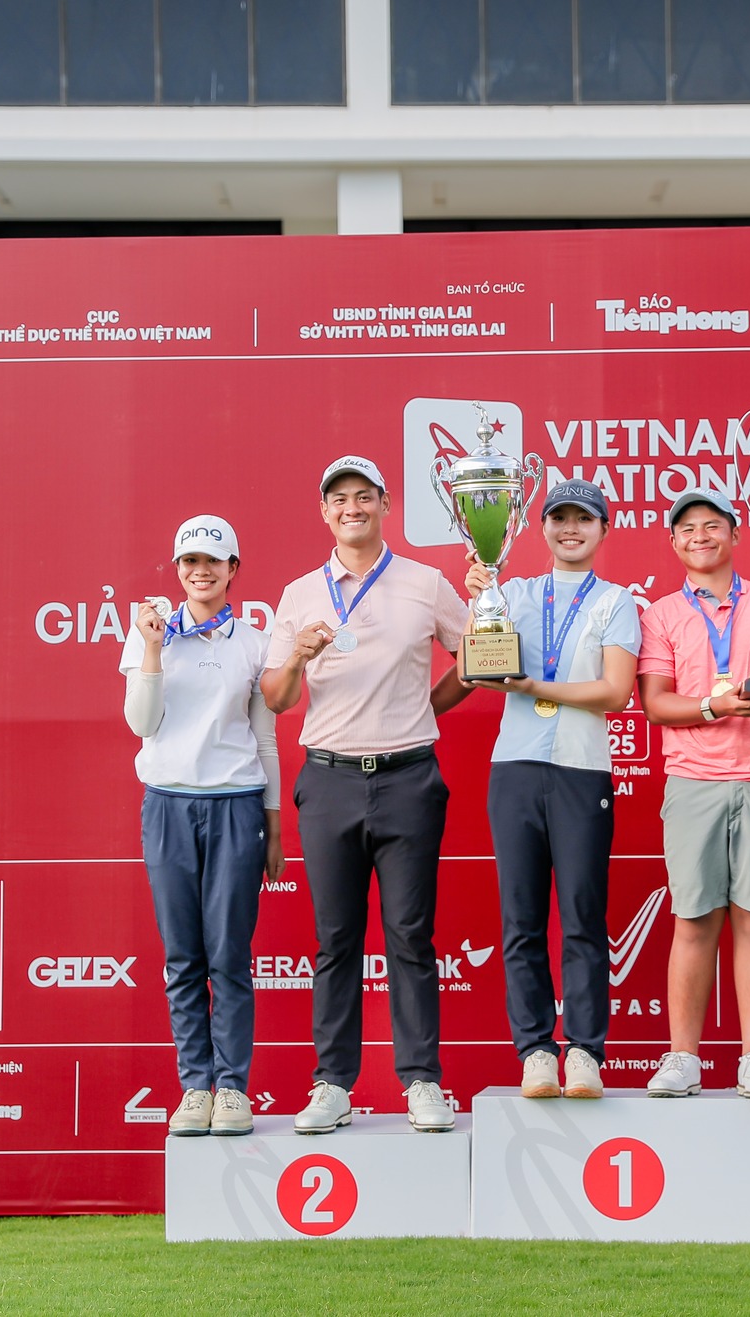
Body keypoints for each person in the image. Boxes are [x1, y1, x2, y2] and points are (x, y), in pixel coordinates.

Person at [261, 455, 474, 1134]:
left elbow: (481, 657)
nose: (351, 508)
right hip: (329, 779)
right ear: (324, 512)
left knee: (411, 934)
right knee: (336, 939)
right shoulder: (300, 593)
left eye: (363, 496)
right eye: (339, 499)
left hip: (409, 778)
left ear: (384, 503)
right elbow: (276, 697)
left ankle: (422, 1080)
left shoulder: (424, 582)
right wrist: (299, 655)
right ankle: (332, 1082)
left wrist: (425, 710)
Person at [457, 478, 640, 1100]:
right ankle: (536, 1050)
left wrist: (534, 686)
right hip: (514, 767)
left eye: (583, 519)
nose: (571, 529)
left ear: (603, 529)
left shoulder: (616, 601)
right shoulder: (510, 593)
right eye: (559, 518)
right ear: (540, 528)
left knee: (583, 917)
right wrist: (479, 601)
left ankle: (584, 1050)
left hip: (581, 770)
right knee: (521, 919)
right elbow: (476, 670)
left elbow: (615, 692)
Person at [635, 488, 750, 1100]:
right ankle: (683, 1057)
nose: (700, 536)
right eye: (687, 528)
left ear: (736, 535)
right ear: (673, 542)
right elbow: (656, 703)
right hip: (693, 781)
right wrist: (717, 705)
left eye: (712, 525)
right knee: (692, 921)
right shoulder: (661, 614)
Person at [121, 514, 285, 1137]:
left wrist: (273, 823)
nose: (201, 571)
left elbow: (265, 739)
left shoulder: (255, 643)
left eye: (213, 561)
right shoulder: (149, 634)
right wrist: (153, 649)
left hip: (237, 804)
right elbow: (142, 723)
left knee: (229, 956)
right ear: (177, 569)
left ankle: (233, 1088)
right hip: (167, 804)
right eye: (190, 561)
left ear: (233, 569)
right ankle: (195, 1088)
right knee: (183, 956)